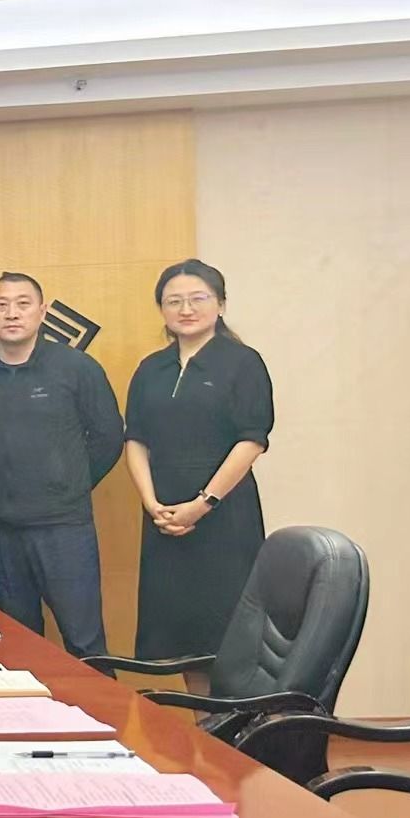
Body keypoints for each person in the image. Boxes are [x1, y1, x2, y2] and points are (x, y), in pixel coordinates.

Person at [0, 273, 122, 657]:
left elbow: (109, 437)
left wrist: (69, 482)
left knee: (84, 641)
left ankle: (97, 700)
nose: (12, 313)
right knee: (16, 645)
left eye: (23, 304)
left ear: (42, 312)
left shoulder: (77, 367)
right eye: (1, 305)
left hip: (64, 527)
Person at [126, 260, 274, 658]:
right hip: (164, 516)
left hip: (224, 515)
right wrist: (152, 503)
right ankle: (196, 705)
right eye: (174, 301)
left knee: (228, 638)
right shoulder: (151, 368)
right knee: (180, 640)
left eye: (198, 298)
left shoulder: (243, 363)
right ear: (161, 309)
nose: (186, 309)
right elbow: (135, 438)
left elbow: (251, 441)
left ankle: (233, 704)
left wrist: (203, 503)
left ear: (221, 304)